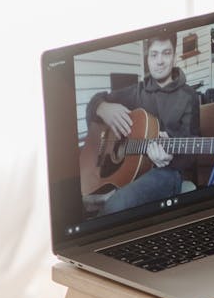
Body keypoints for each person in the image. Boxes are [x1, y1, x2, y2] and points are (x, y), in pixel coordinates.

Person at [86, 32, 200, 213]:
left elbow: (192, 150)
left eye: (166, 53)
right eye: (154, 54)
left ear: (174, 55)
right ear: (147, 58)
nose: (160, 61)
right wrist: (102, 107)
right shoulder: (135, 92)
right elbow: (94, 103)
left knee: (117, 205)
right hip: (131, 172)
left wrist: (170, 158)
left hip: (167, 173)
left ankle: (111, 197)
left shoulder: (189, 96)